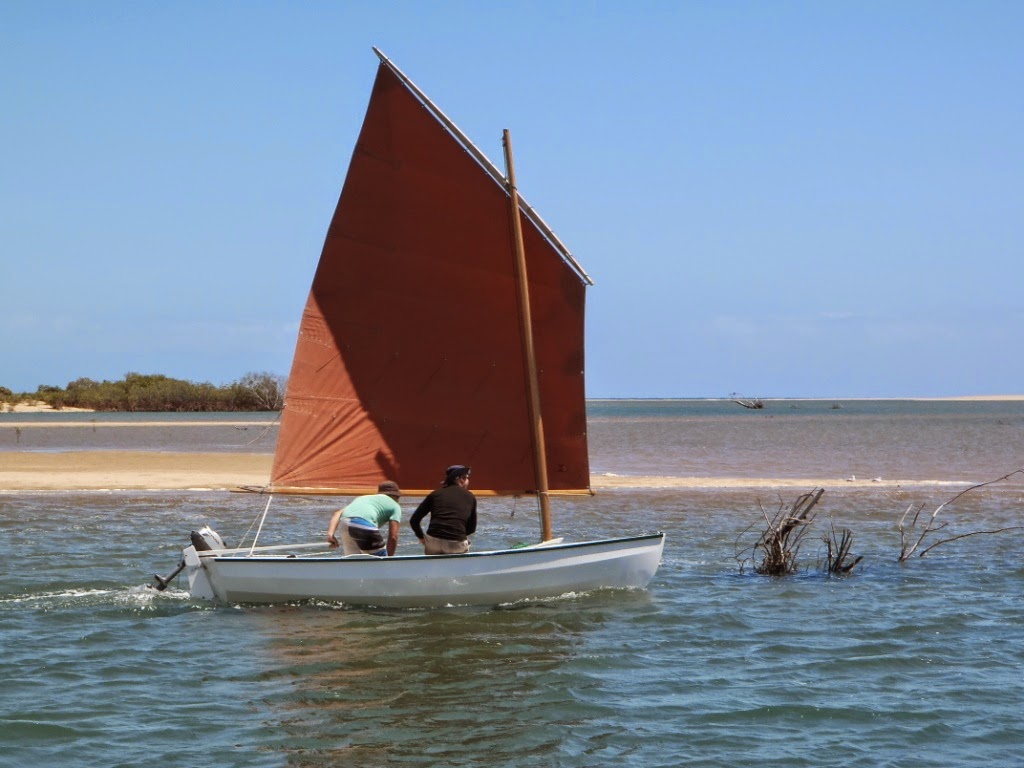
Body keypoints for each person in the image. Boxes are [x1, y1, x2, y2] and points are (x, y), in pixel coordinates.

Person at [409, 464, 477, 554]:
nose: (468, 481)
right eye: (467, 478)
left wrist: (421, 538)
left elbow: (414, 520)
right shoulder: (470, 497)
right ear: (461, 479)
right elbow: (472, 528)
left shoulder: (435, 494)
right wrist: (456, 534)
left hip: (433, 542)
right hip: (456, 544)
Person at [326, 480, 403, 556]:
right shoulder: (395, 505)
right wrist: (389, 560)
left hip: (344, 523)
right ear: (395, 496)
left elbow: (337, 513)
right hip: (361, 524)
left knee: (353, 563)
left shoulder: (362, 498)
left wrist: (330, 534)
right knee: (380, 562)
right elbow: (393, 537)